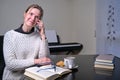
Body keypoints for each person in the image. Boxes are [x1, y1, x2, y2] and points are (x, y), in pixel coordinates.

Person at [2, 4, 51, 80]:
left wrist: (42, 34)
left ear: (38, 21)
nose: (33, 18)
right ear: (25, 14)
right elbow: (10, 64)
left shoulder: (39, 37)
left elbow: (45, 59)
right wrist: (36, 61)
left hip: (32, 77)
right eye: (31, 14)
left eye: (37, 17)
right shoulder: (9, 35)